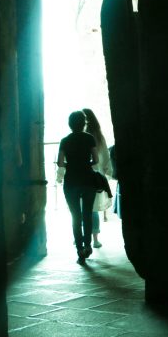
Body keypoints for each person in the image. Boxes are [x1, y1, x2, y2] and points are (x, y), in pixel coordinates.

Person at [57, 110, 97, 264]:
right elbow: (96, 159)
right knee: (87, 215)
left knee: (75, 216)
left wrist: (71, 164)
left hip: (71, 181)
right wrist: (85, 163)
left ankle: (79, 249)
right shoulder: (89, 138)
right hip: (88, 179)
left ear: (70, 124)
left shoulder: (65, 140)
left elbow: (60, 163)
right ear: (84, 123)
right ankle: (88, 245)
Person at [82, 107, 112, 248]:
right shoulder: (98, 136)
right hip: (94, 177)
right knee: (92, 209)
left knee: (81, 209)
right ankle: (94, 239)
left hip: (81, 175)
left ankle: (81, 237)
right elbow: (105, 155)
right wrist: (107, 171)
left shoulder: (81, 135)